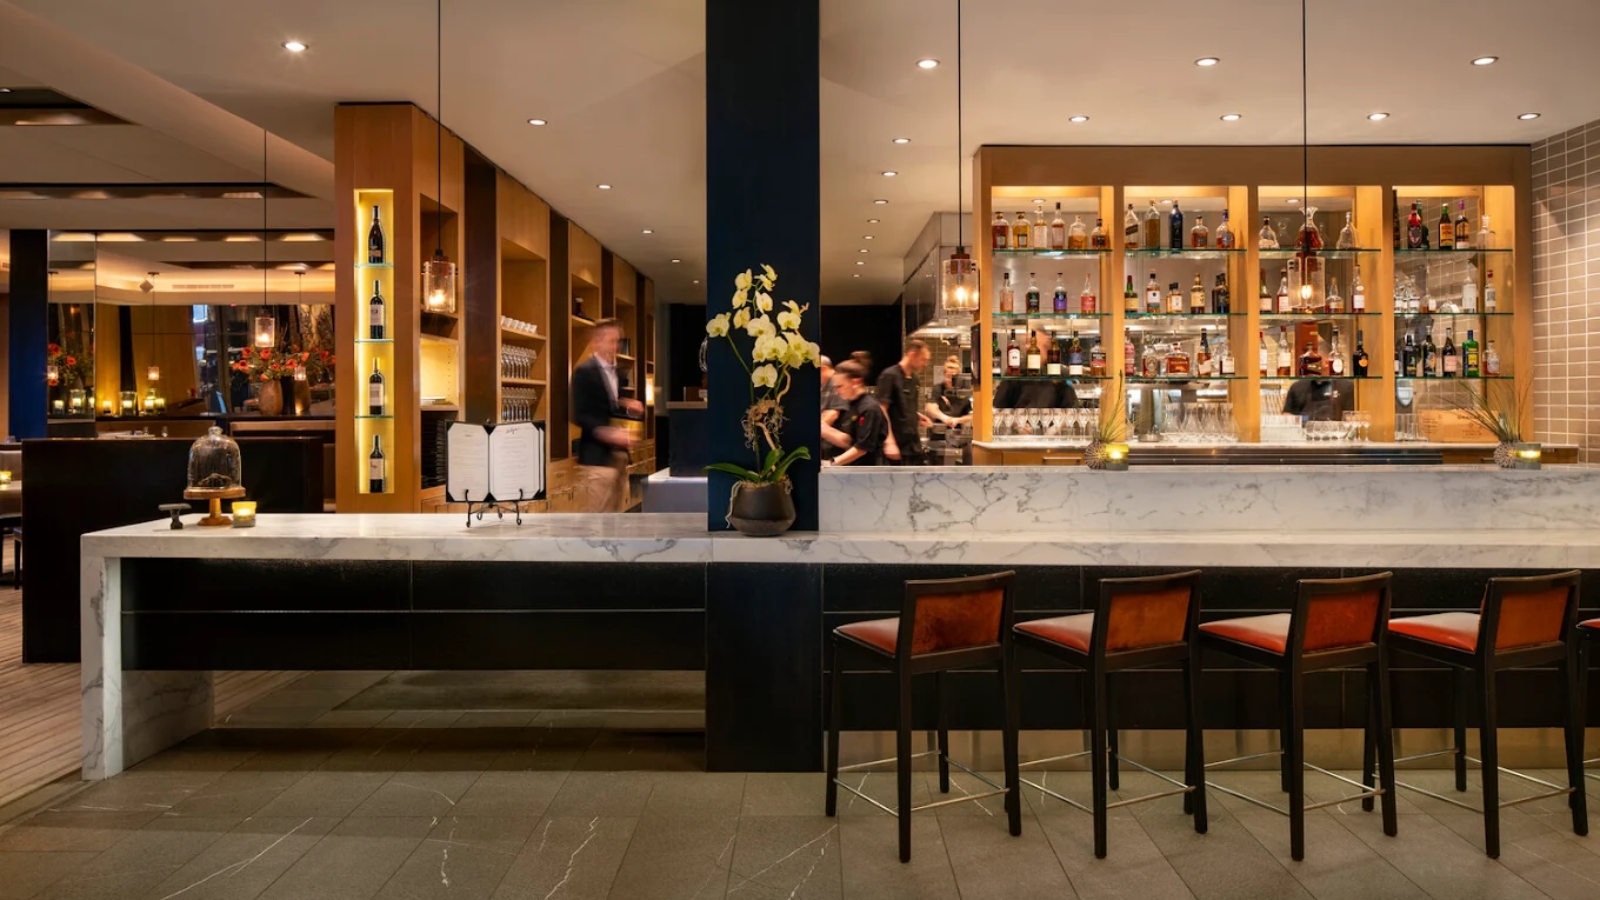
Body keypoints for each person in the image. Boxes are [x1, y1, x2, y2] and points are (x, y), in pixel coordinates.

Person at [570, 318, 643, 512]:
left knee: (616, 518)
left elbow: (607, 407)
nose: (615, 346)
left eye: (617, 341)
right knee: (597, 522)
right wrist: (606, 433)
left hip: (618, 458)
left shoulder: (616, 373)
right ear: (597, 341)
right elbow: (579, 414)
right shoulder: (584, 372)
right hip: (596, 459)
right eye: (611, 341)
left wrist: (626, 404)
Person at [875, 340, 932, 464]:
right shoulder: (889, 375)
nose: (925, 364)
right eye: (923, 359)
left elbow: (902, 406)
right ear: (912, 355)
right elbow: (881, 409)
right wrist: (889, 441)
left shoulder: (915, 379)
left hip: (912, 444)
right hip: (894, 444)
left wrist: (916, 416)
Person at [821, 360, 887, 466]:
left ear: (856, 382)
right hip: (847, 470)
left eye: (840, 386)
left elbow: (862, 448)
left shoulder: (869, 409)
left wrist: (833, 463)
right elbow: (848, 441)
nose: (837, 392)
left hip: (865, 473)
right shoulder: (849, 406)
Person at [926, 355, 972, 427]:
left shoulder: (964, 392)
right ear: (944, 374)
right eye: (948, 376)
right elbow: (930, 408)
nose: (951, 380)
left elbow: (972, 415)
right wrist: (945, 418)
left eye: (954, 377)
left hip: (957, 432)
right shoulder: (938, 389)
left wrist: (958, 420)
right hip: (939, 432)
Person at [1282, 378, 1355, 421]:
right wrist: (1304, 419)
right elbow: (1286, 415)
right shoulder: (1297, 387)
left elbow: (1351, 417)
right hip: (1303, 439)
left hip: (1338, 438)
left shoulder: (1346, 387)